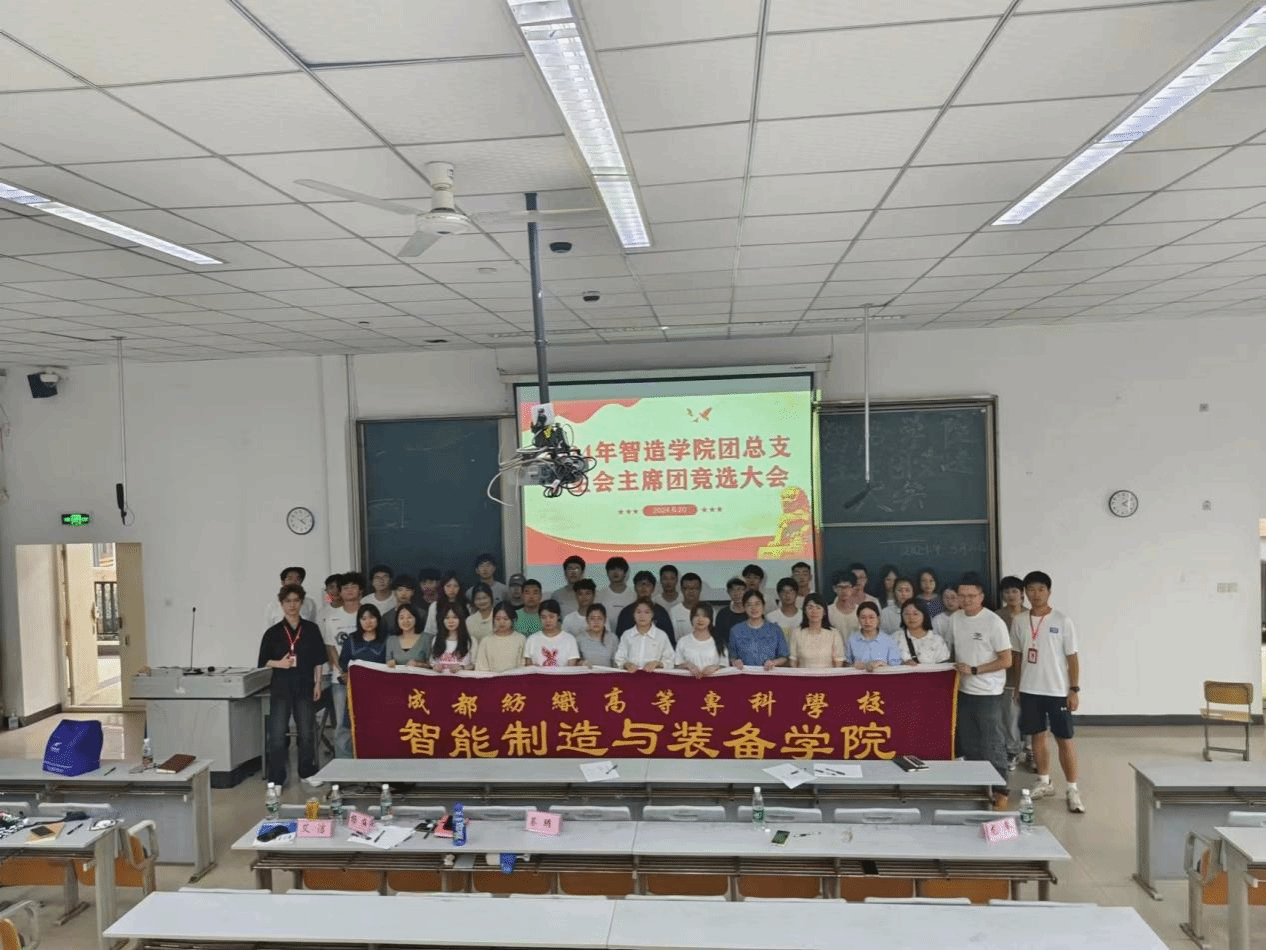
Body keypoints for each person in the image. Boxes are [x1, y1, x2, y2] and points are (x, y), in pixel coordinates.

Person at [1014, 571, 1083, 813]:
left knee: (1064, 739)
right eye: (1031, 589)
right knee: (1037, 736)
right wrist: (1018, 687)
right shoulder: (1019, 621)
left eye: (1041, 589)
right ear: (1025, 593)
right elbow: (1017, 656)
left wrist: (1074, 689)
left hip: (1057, 690)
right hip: (1029, 689)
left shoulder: (1062, 620)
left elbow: (1072, 658)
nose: (1036, 594)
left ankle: (1072, 788)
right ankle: (1044, 781)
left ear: (1049, 592)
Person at [949, 572, 1013, 808]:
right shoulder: (955, 618)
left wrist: (975, 670)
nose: (966, 600)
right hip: (963, 690)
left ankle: (1001, 788)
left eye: (971, 596)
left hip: (988, 692)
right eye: (962, 595)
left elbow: (1006, 660)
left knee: (992, 742)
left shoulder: (993, 622)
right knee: (969, 741)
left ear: (981, 596)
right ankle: (978, 784)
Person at [258, 584, 325, 788]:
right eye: (288, 601)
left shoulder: (311, 629)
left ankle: (307, 771)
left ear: (302, 602)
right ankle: (276, 778)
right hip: (281, 688)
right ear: (281, 604)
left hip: (305, 686)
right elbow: (263, 661)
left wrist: (318, 684)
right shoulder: (273, 632)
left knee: (306, 733)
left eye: (296, 600)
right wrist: (280, 663)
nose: (292, 605)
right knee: (277, 735)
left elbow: (319, 660)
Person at [321, 572, 364, 759]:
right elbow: (330, 647)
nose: (349, 590)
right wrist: (344, 671)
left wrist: (359, 673)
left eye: (353, 586)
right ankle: (344, 766)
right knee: (342, 724)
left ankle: (368, 762)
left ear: (361, 590)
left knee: (367, 721)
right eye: (345, 587)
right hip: (340, 679)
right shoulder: (331, 618)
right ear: (340, 592)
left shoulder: (368, 614)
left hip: (367, 678)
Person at [337, 604, 388, 748]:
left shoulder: (387, 639)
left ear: (378, 619)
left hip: (381, 693)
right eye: (363, 618)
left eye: (371, 617)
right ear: (359, 621)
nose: (368, 622)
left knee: (379, 729)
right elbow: (343, 662)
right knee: (355, 730)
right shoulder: (352, 639)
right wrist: (347, 673)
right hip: (357, 692)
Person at [996, 575, 1028, 772]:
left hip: (1031, 673)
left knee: (1032, 714)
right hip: (1008, 675)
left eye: (1015, 591)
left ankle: (1031, 750)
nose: (1011, 595)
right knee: (1010, 715)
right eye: (1007, 592)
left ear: (1022, 593)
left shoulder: (1031, 615)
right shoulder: (997, 617)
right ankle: (1012, 750)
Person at [728, 590, 789, 671]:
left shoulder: (775, 629)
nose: (754, 608)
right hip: (745, 674)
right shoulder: (736, 630)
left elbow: (784, 657)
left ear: (763, 606)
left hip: (769, 674)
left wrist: (773, 662)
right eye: (749, 605)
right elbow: (732, 657)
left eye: (757, 604)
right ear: (744, 607)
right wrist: (736, 662)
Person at [615, 572, 676, 645]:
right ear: (635, 588)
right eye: (640, 584)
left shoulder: (661, 612)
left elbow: (669, 641)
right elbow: (620, 640)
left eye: (648, 585)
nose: (643, 588)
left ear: (653, 589)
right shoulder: (626, 612)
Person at [614, 599, 675, 671]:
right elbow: (619, 659)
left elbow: (670, 660)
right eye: (638, 612)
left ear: (652, 614)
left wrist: (657, 663)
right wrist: (627, 664)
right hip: (631, 676)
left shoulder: (661, 635)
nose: (642, 616)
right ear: (633, 614)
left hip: (655, 676)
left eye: (647, 612)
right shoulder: (627, 635)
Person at [789, 593, 843, 668]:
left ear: (824, 612)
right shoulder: (797, 633)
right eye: (810, 607)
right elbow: (793, 661)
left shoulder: (834, 633)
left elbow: (838, 662)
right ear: (805, 611)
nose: (814, 611)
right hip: (804, 675)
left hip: (827, 675)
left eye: (818, 607)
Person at [674, 603, 727, 677]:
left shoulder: (718, 640)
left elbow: (725, 666)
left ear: (710, 619)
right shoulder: (683, 641)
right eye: (696, 616)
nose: (700, 619)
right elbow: (676, 666)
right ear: (691, 618)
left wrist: (715, 667)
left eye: (705, 616)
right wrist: (687, 665)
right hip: (689, 682)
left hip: (714, 682)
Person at [524, 600, 581, 667]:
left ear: (558, 617)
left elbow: (571, 668)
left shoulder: (569, 639)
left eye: (551, 617)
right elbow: (529, 668)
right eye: (543, 617)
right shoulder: (532, 639)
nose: (548, 621)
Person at [846, 602, 900, 670]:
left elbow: (896, 666)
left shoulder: (889, 640)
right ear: (858, 619)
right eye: (863, 618)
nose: (867, 621)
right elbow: (846, 663)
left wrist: (882, 665)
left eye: (871, 617)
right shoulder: (852, 639)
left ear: (878, 619)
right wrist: (853, 666)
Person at [474, 603, 527, 673]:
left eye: (506, 619)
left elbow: (523, 665)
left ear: (512, 619)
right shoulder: (486, 641)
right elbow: (481, 667)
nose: (501, 622)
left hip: (515, 678)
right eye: (498, 619)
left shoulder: (521, 639)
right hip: (491, 678)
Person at [897, 600, 950, 665]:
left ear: (924, 615)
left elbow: (944, 666)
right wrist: (903, 665)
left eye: (915, 614)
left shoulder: (937, 640)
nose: (911, 617)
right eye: (907, 614)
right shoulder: (895, 638)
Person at [385, 602, 430, 667]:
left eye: (409, 617)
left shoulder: (426, 638)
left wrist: (418, 664)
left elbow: (432, 665)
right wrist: (390, 663)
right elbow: (387, 663)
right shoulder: (391, 640)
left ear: (416, 618)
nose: (405, 621)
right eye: (401, 618)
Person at [430, 605, 474, 672]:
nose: (450, 621)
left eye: (455, 617)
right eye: (447, 618)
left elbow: (473, 665)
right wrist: (435, 666)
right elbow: (432, 662)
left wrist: (461, 667)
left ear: (461, 619)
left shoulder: (469, 640)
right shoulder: (436, 639)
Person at [425, 571, 469, 635]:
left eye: (455, 586)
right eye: (448, 586)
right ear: (443, 587)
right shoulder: (435, 606)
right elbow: (430, 630)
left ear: (460, 587)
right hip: (440, 639)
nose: (452, 589)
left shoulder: (467, 605)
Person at [576, 603, 619, 668]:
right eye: (592, 618)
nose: (596, 622)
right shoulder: (580, 639)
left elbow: (617, 663)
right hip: (587, 673)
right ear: (587, 620)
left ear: (605, 620)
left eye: (599, 618)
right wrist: (580, 663)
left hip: (608, 674)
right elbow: (575, 662)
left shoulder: (613, 638)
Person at [669, 572, 704, 644]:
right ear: (681, 589)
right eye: (686, 588)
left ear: (700, 589)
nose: (691, 591)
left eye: (694, 588)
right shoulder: (674, 611)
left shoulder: (708, 610)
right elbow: (673, 638)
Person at [713, 577, 748, 642]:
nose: (736, 593)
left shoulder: (751, 612)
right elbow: (718, 637)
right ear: (728, 592)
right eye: (732, 590)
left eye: (739, 589)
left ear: (745, 591)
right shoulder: (723, 613)